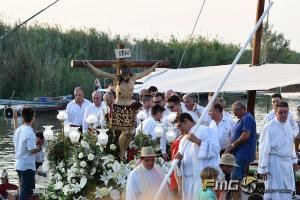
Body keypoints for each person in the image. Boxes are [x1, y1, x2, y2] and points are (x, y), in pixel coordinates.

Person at [258, 101, 299, 199]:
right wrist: (263, 168)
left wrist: (294, 161)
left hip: (287, 164)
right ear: (275, 112)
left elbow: (290, 144)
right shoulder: (268, 127)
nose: (284, 114)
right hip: (274, 164)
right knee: (275, 191)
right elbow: (264, 149)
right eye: (281, 112)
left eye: (286, 112)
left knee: (287, 189)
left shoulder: (288, 125)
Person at [175, 113, 220, 200]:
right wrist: (179, 161)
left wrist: (198, 141)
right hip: (187, 181)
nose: (179, 130)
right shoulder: (183, 140)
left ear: (186, 121)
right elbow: (181, 166)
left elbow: (216, 149)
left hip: (203, 177)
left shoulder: (206, 130)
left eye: (179, 126)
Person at [13, 107, 42, 200]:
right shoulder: (29, 131)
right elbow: (32, 150)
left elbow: (22, 143)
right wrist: (39, 148)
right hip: (27, 167)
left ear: (23, 117)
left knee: (26, 191)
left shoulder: (19, 130)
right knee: (25, 193)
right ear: (33, 117)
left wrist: (34, 141)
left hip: (18, 164)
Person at [226, 101, 256, 181]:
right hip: (239, 153)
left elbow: (245, 136)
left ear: (242, 109)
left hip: (243, 153)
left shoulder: (248, 118)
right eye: (233, 111)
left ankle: (237, 193)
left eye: (235, 111)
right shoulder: (242, 119)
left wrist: (233, 145)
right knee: (237, 177)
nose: (234, 114)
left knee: (236, 178)